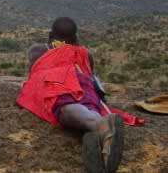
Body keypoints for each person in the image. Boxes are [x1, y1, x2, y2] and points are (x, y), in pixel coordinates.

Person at [16, 17, 143, 173]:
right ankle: (98, 126)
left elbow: (34, 74)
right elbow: (91, 76)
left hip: (55, 79)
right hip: (80, 79)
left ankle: (98, 126)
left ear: (50, 36)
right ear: (76, 38)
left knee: (64, 107)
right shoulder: (84, 53)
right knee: (89, 103)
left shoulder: (37, 50)